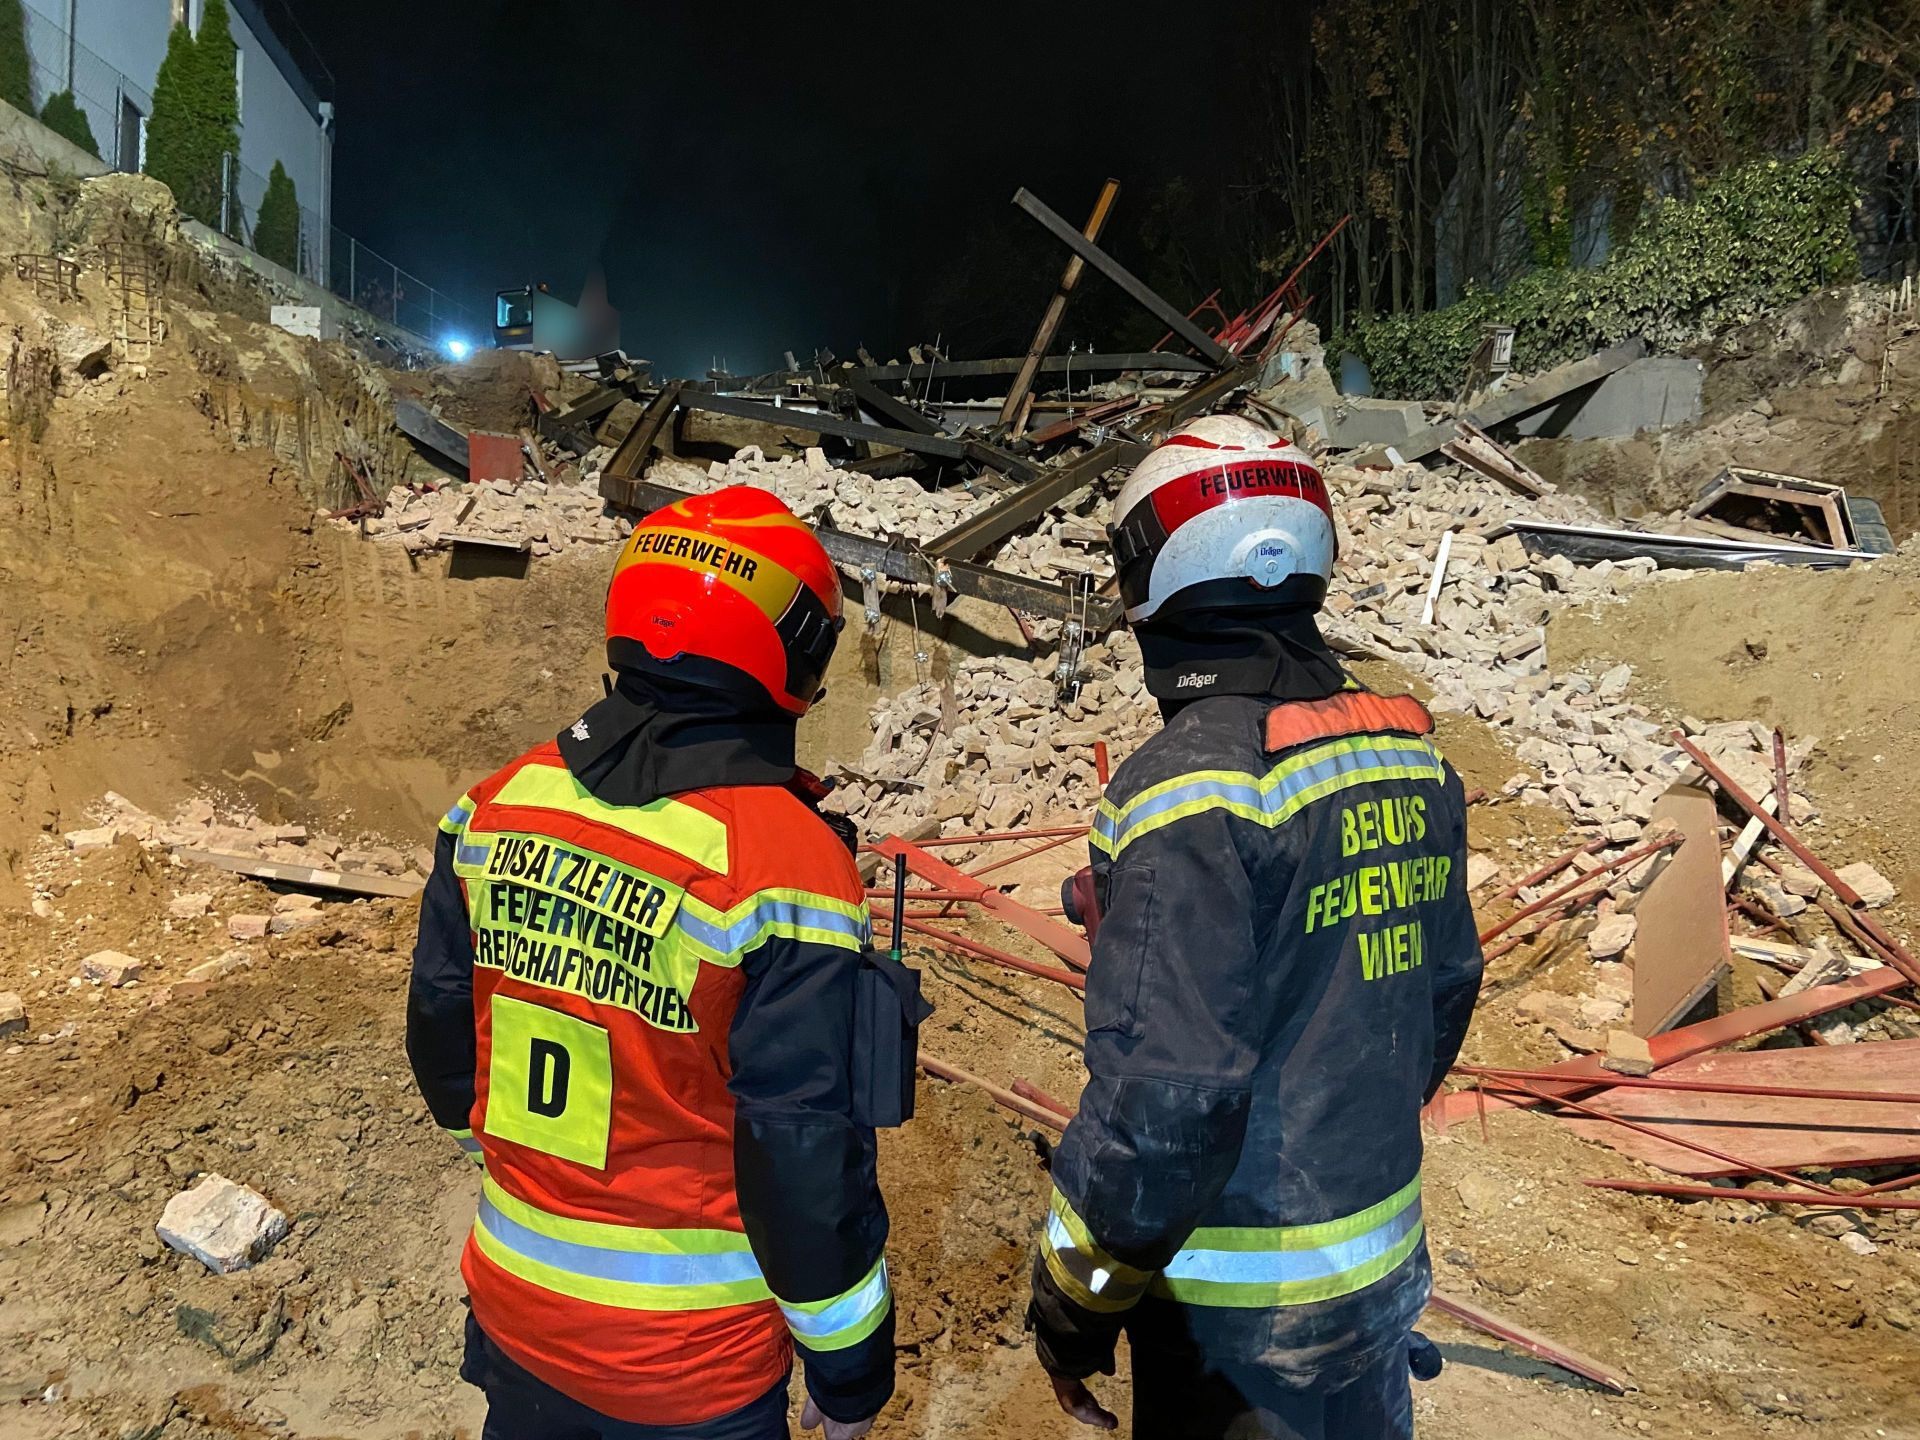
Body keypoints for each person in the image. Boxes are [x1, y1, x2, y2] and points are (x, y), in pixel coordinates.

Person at [1028, 415, 1485, 1439]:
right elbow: (1443, 989)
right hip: (1376, 1288)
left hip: (1231, 1333)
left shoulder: (1185, 793)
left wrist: (1074, 1303)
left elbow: (1164, 1102)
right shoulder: (1411, 756)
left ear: (1154, 577)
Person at [408, 486, 898, 1440]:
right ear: (795, 653)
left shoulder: (499, 803)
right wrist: (850, 1374)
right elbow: (801, 1156)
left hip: (515, 1316)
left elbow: (441, 1035)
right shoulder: (785, 867)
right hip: (691, 1368)